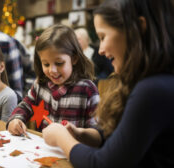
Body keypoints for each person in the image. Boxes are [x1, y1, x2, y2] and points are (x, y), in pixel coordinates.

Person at [42, 0, 174, 167]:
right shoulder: (144, 83)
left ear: (138, 28)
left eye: (103, 37)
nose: (101, 50)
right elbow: (121, 139)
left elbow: (102, 163)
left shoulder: (152, 90)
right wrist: (83, 134)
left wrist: (61, 138)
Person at [7, 24, 99, 135]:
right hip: (41, 149)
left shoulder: (87, 89)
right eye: (46, 64)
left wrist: (77, 133)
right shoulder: (40, 84)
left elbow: (97, 133)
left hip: (72, 150)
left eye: (59, 63)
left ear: (74, 58)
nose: (52, 70)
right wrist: (16, 119)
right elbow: (25, 105)